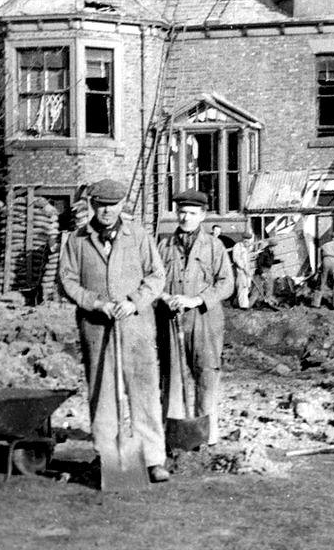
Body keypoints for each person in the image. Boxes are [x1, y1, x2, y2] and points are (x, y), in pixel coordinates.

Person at [57, 178, 170, 483]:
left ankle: (154, 458)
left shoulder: (138, 236)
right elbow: (66, 280)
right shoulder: (78, 239)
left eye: (113, 205)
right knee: (102, 393)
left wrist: (134, 302)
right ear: (92, 205)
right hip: (96, 326)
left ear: (122, 205)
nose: (107, 211)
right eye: (101, 205)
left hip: (136, 326)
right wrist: (95, 304)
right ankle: (108, 456)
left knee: (143, 390)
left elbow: (156, 275)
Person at [156, 189, 234, 447]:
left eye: (191, 213)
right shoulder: (163, 245)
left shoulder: (214, 246)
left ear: (202, 216)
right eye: (181, 213)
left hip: (204, 319)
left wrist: (196, 300)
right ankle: (175, 434)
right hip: (171, 319)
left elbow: (226, 284)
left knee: (206, 375)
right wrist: (165, 297)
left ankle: (207, 436)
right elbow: (152, 281)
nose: (185, 218)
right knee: (172, 376)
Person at [231, 230, 254, 309]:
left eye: (248, 240)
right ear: (242, 239)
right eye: (245, 239)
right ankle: (243, 306)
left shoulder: (248, 248)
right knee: (242, 287)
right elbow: (236, 259)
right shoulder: (238, 246)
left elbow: (249, 260)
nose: (246, 241)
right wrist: (243, 268)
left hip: (247, 271)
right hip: (241, 271)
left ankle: (240, 303)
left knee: (247, 287)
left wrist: (249, 270)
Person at [253, 238, 279, 306]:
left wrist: (278, 261)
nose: (274, 248)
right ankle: (250, 304)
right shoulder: (264, 253)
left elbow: (269, 262)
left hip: (268, 270)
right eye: (274, 247)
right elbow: (258, 263)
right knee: (258, 289)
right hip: (262, 271)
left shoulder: (271, 253)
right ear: (270, 246)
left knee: (269, 286)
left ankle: (268, 300)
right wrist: (262, 273)